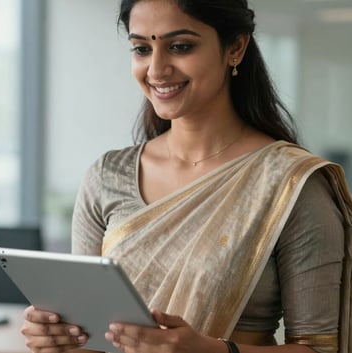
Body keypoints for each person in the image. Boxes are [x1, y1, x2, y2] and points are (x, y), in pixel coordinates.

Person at [21, 0, 352, 353]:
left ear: (235, 48)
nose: (157, 69)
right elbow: (88, 333)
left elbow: (321, 349)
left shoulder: (292, 184)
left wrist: (213, 351)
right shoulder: (107, 177)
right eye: (142, 49)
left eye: (180, 46)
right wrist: (58, 338)